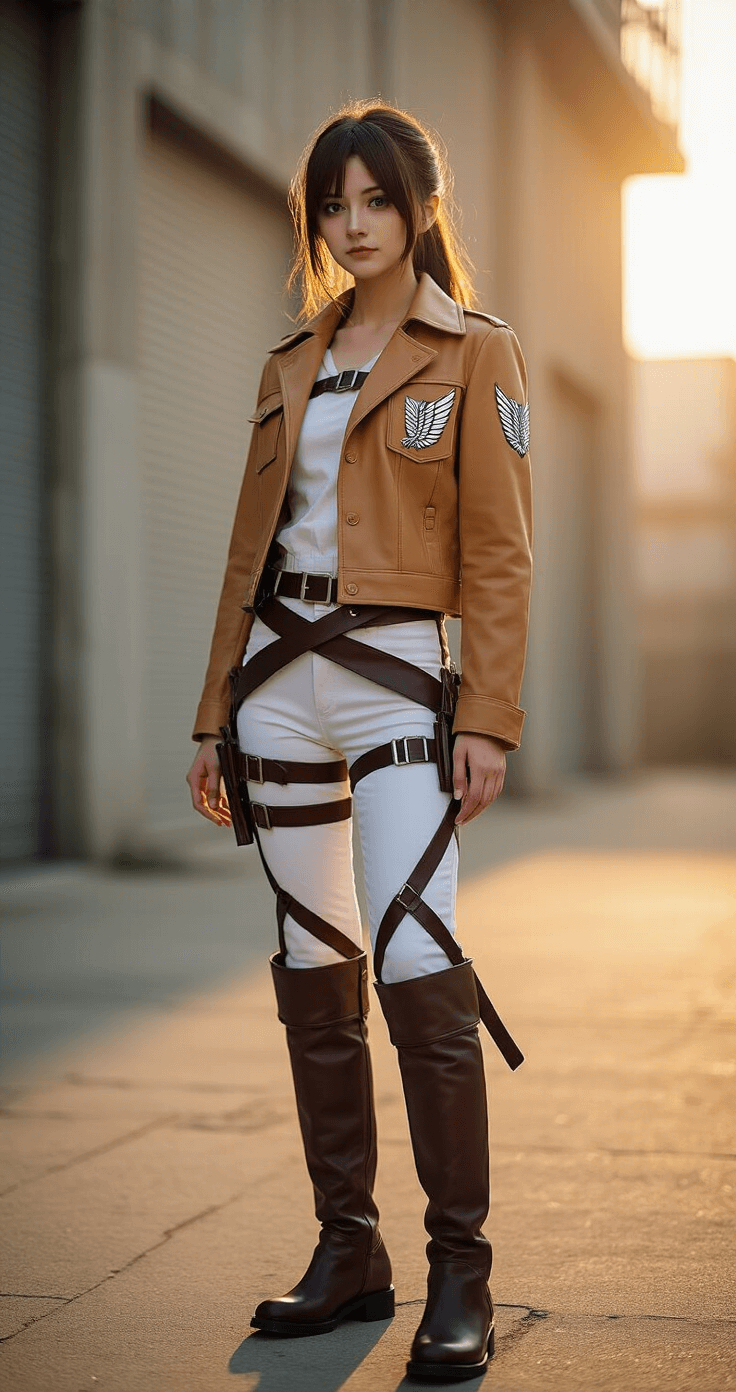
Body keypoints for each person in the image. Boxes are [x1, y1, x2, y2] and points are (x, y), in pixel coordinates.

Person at [186, 100, 532, 1383]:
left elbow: (500, 556)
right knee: (310, 969)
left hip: (396, 684)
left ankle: (461, 1271)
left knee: (416, 960)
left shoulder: (475, 351)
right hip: (277, 677)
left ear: (420, 208)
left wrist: (485, 719)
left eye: (376, 200)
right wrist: (214, 712)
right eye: (334, 203)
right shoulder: (291, 362)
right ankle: (351, 1250)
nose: (353, 224)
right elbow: (245, 551)